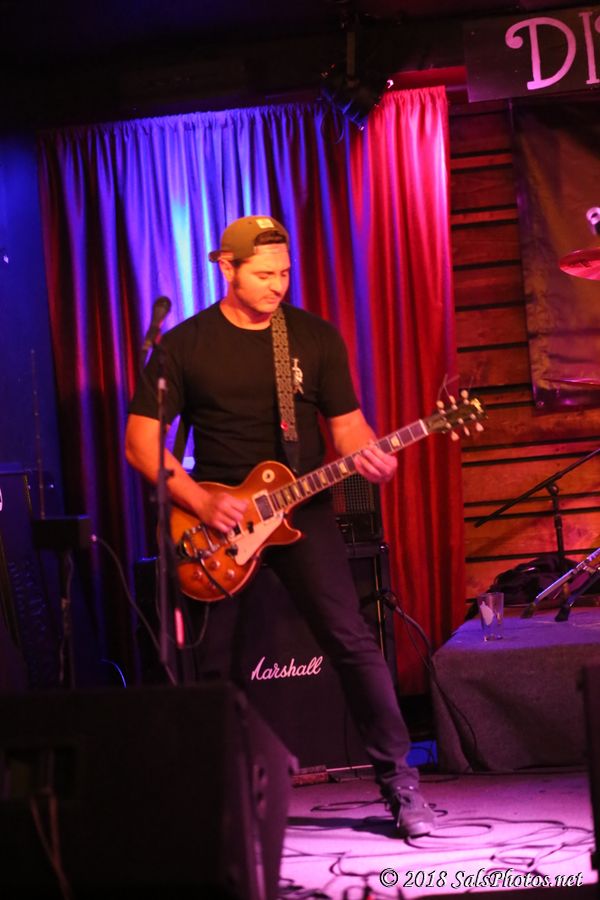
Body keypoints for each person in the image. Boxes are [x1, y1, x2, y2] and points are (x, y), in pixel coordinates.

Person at [125, 214, 435, 838]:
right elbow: (140, 443)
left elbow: (347, 428)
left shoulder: (313, 338)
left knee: (351, 640)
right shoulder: (184, 346)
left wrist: (372, 455)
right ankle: (215, 798)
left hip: (302, 510)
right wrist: (202, 502)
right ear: (227, 268)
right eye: (265, 274)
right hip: (218, 522)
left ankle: (401, 786)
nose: (277, 285)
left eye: (285, 274)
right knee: (211, 662)